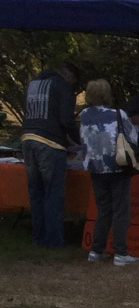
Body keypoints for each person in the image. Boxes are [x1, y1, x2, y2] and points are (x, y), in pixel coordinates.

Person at [79, 79, 139, 267]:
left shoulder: (84, 115)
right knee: (121, 209)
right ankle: (120, 252)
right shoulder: (118, 114)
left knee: (103, 209)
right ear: (107, 94)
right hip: (116, 165)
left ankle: (96, 250)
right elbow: (132, 136)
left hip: (95, 167)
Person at [21, 62, 80, 247]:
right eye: (74, 82)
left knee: (36, 192)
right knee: (53, 193)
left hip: (28, 138)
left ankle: (38, 237)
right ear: (68, 76)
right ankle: (54, 240)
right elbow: (66, 119)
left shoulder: (33, 83)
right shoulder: (63, 87)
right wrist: (80, 140)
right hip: (50, 142)